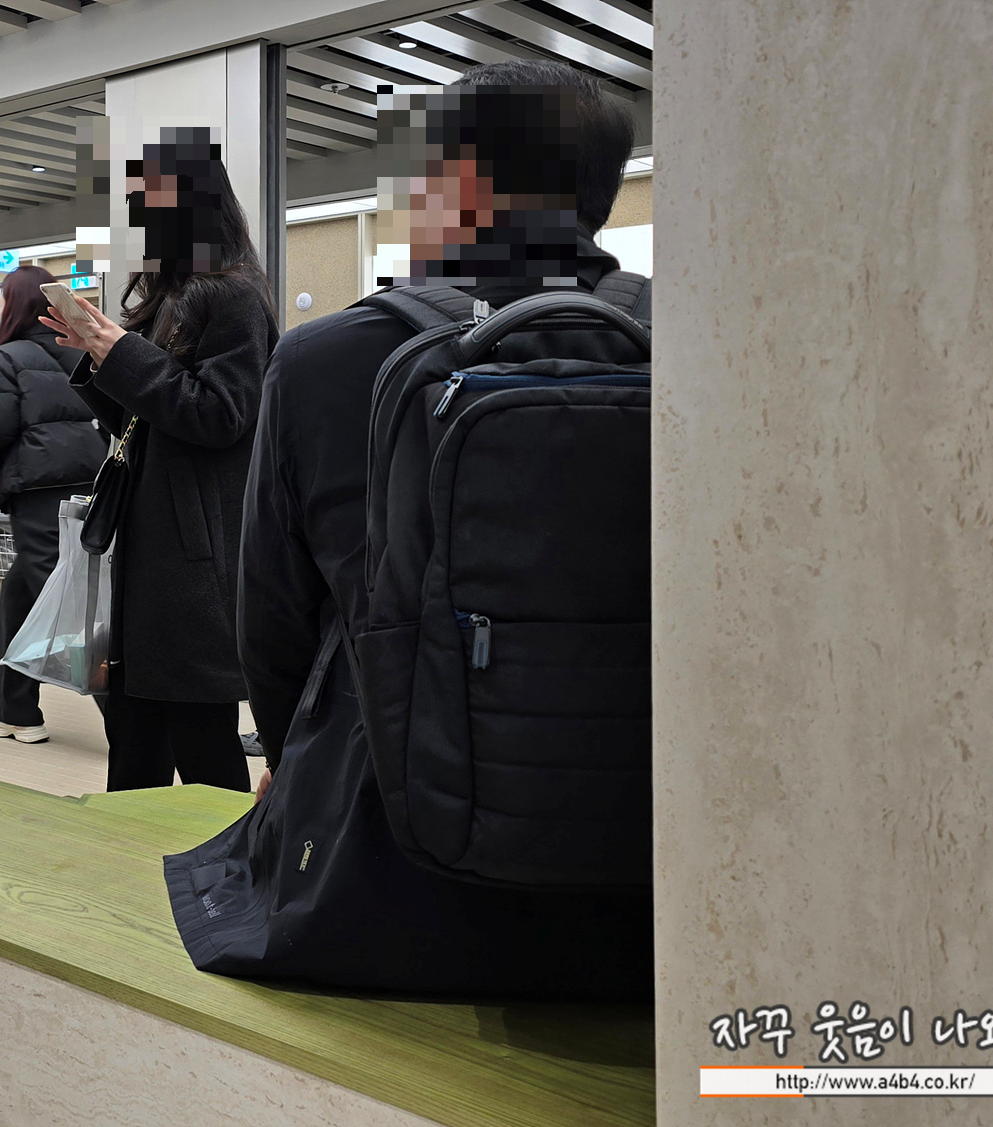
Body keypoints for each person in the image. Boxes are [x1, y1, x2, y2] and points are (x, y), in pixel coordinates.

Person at [163, 63, 655, 998]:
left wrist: (289, 763)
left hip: (385, 877)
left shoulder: (326, 358)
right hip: (659, 870)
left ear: (459, 183)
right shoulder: (695, 340)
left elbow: (270, 621)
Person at [40, 128, 277, 792]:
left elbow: (221, 414)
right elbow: (146, 423)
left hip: (192, 557)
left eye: (149, 199)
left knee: (200, 739)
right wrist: (100, 360)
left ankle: (223, 860)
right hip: (151, 546)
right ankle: (126, 854)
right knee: (136, 733)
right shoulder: (171, 297)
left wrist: (122, 354)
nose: (139, 214)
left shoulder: (233, 296)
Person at [0, 265, 106, 743]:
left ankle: (138, 728)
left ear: (12, 306)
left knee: (75, 609)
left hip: (37, 494)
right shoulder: (81, 354)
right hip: (90, 487)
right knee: (22, 595)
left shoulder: (2, 359)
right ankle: (12, 711)